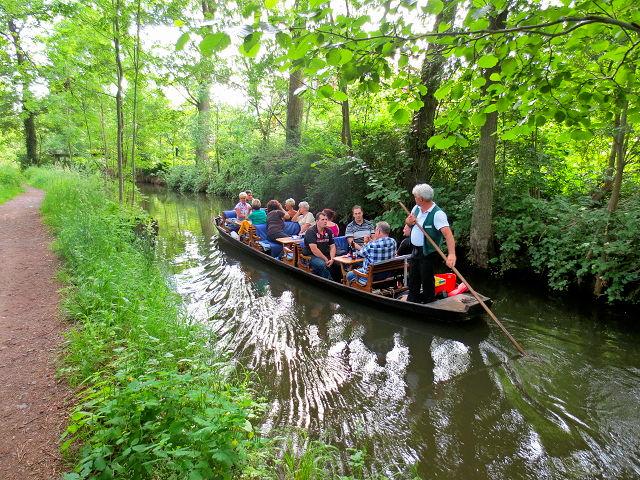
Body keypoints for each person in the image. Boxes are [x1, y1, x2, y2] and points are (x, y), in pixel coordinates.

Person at [405, 183, 456, 303]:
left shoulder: (438, 214)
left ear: (421, 199)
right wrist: (409, 221)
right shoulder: (416, 208)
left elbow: (448, 235)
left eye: (415, 197)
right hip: (415, 250)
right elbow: (408, 221)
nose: (414, 199)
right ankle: (412, 300)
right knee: (413, 278)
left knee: (426, 279)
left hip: (428, 252)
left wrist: (452, 254)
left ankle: (429, 302)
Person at [302, 211, 342, 282]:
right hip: (311, 255)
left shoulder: (329, 231)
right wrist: (326, 259)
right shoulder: (311, 231)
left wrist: (332, 259)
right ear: (317, 221)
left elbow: (332, 246)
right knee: (322, 264)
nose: (325, 221)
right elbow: (314, 249)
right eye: (322, 220)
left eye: (326, 219)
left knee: (338, 263)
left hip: (326, 254)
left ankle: (340, 281)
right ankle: (330, 282)